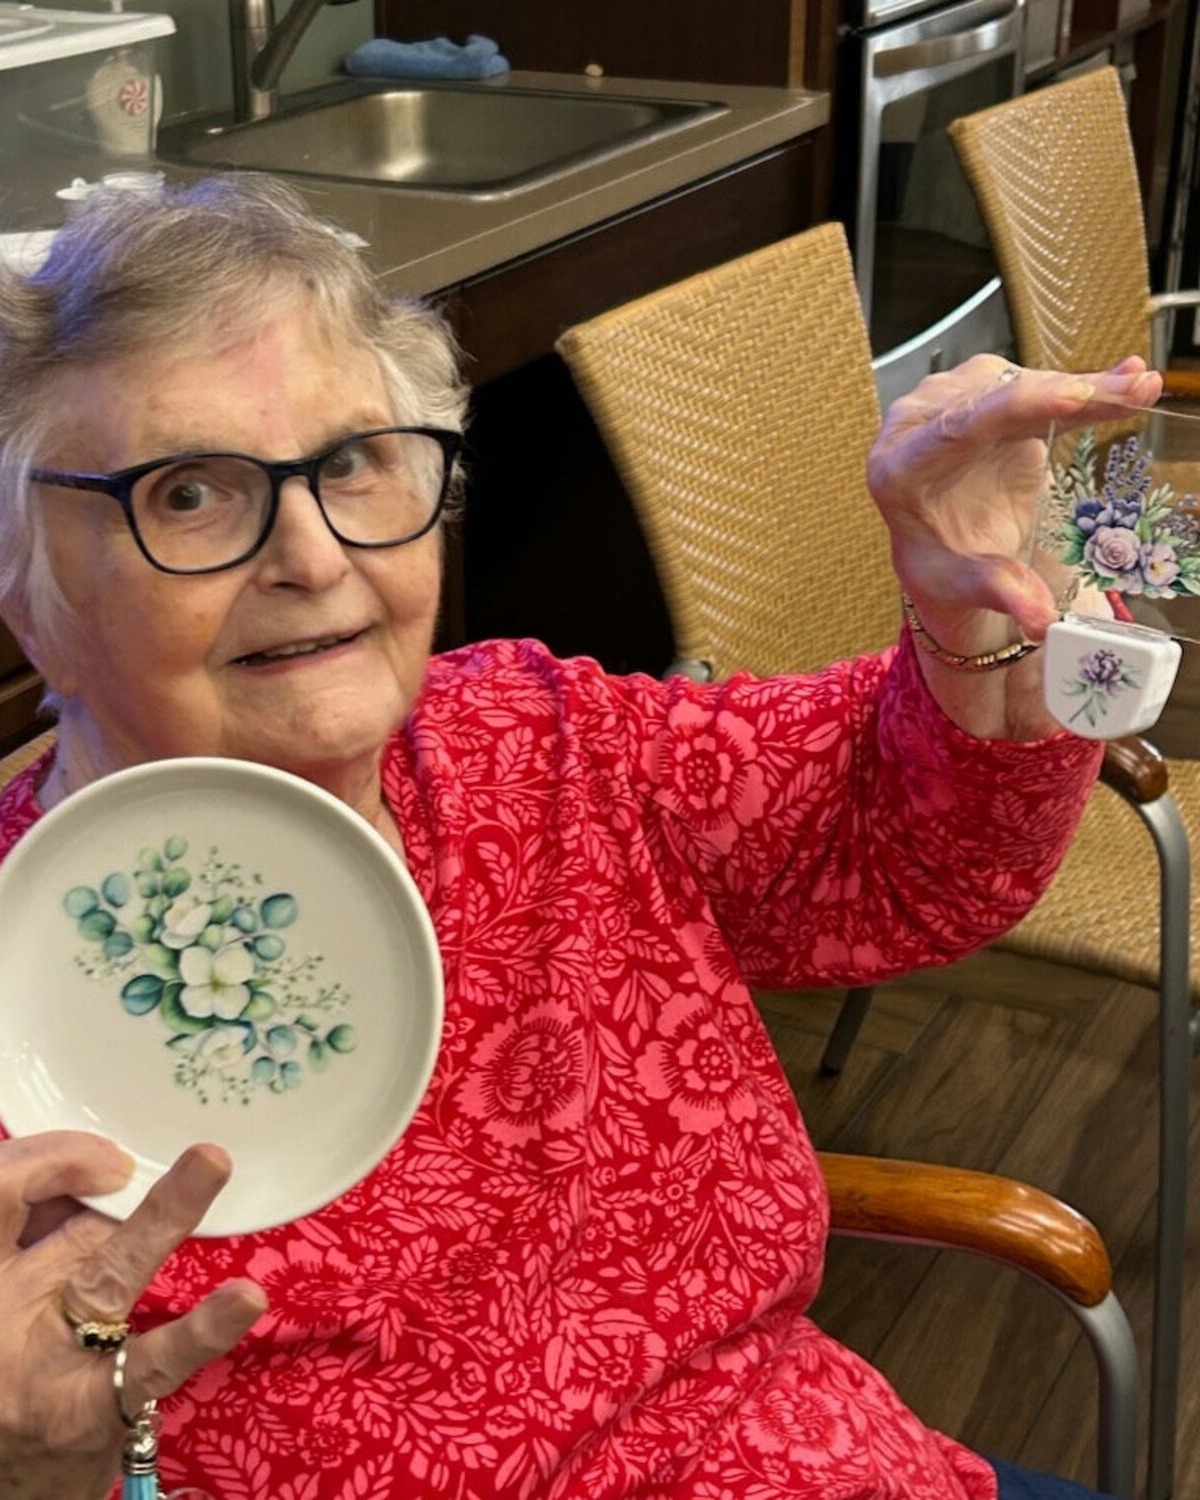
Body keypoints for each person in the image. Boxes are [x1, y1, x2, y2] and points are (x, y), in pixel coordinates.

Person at [0, 174, 1159, 1500]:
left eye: (352, 464)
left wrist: (973, 633)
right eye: (188, 494)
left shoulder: (540, 736)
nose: (313, 558)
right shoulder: (23, 1000)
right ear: (26, 589)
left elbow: (902, 851)